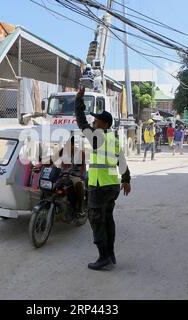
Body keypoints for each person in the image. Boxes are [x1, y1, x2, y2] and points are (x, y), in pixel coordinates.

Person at [75, 87, 131, 271]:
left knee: (96, 220)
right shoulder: (112, 138)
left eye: (96, 120)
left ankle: (103, 257)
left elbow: (81, 122)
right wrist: (126, 179)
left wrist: (78, 101)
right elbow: (121, 160)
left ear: (104, 124)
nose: (93, 121)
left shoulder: (98, 137)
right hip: (112, 186)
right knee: (107, 219)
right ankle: (110, 253)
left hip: (99, 187)